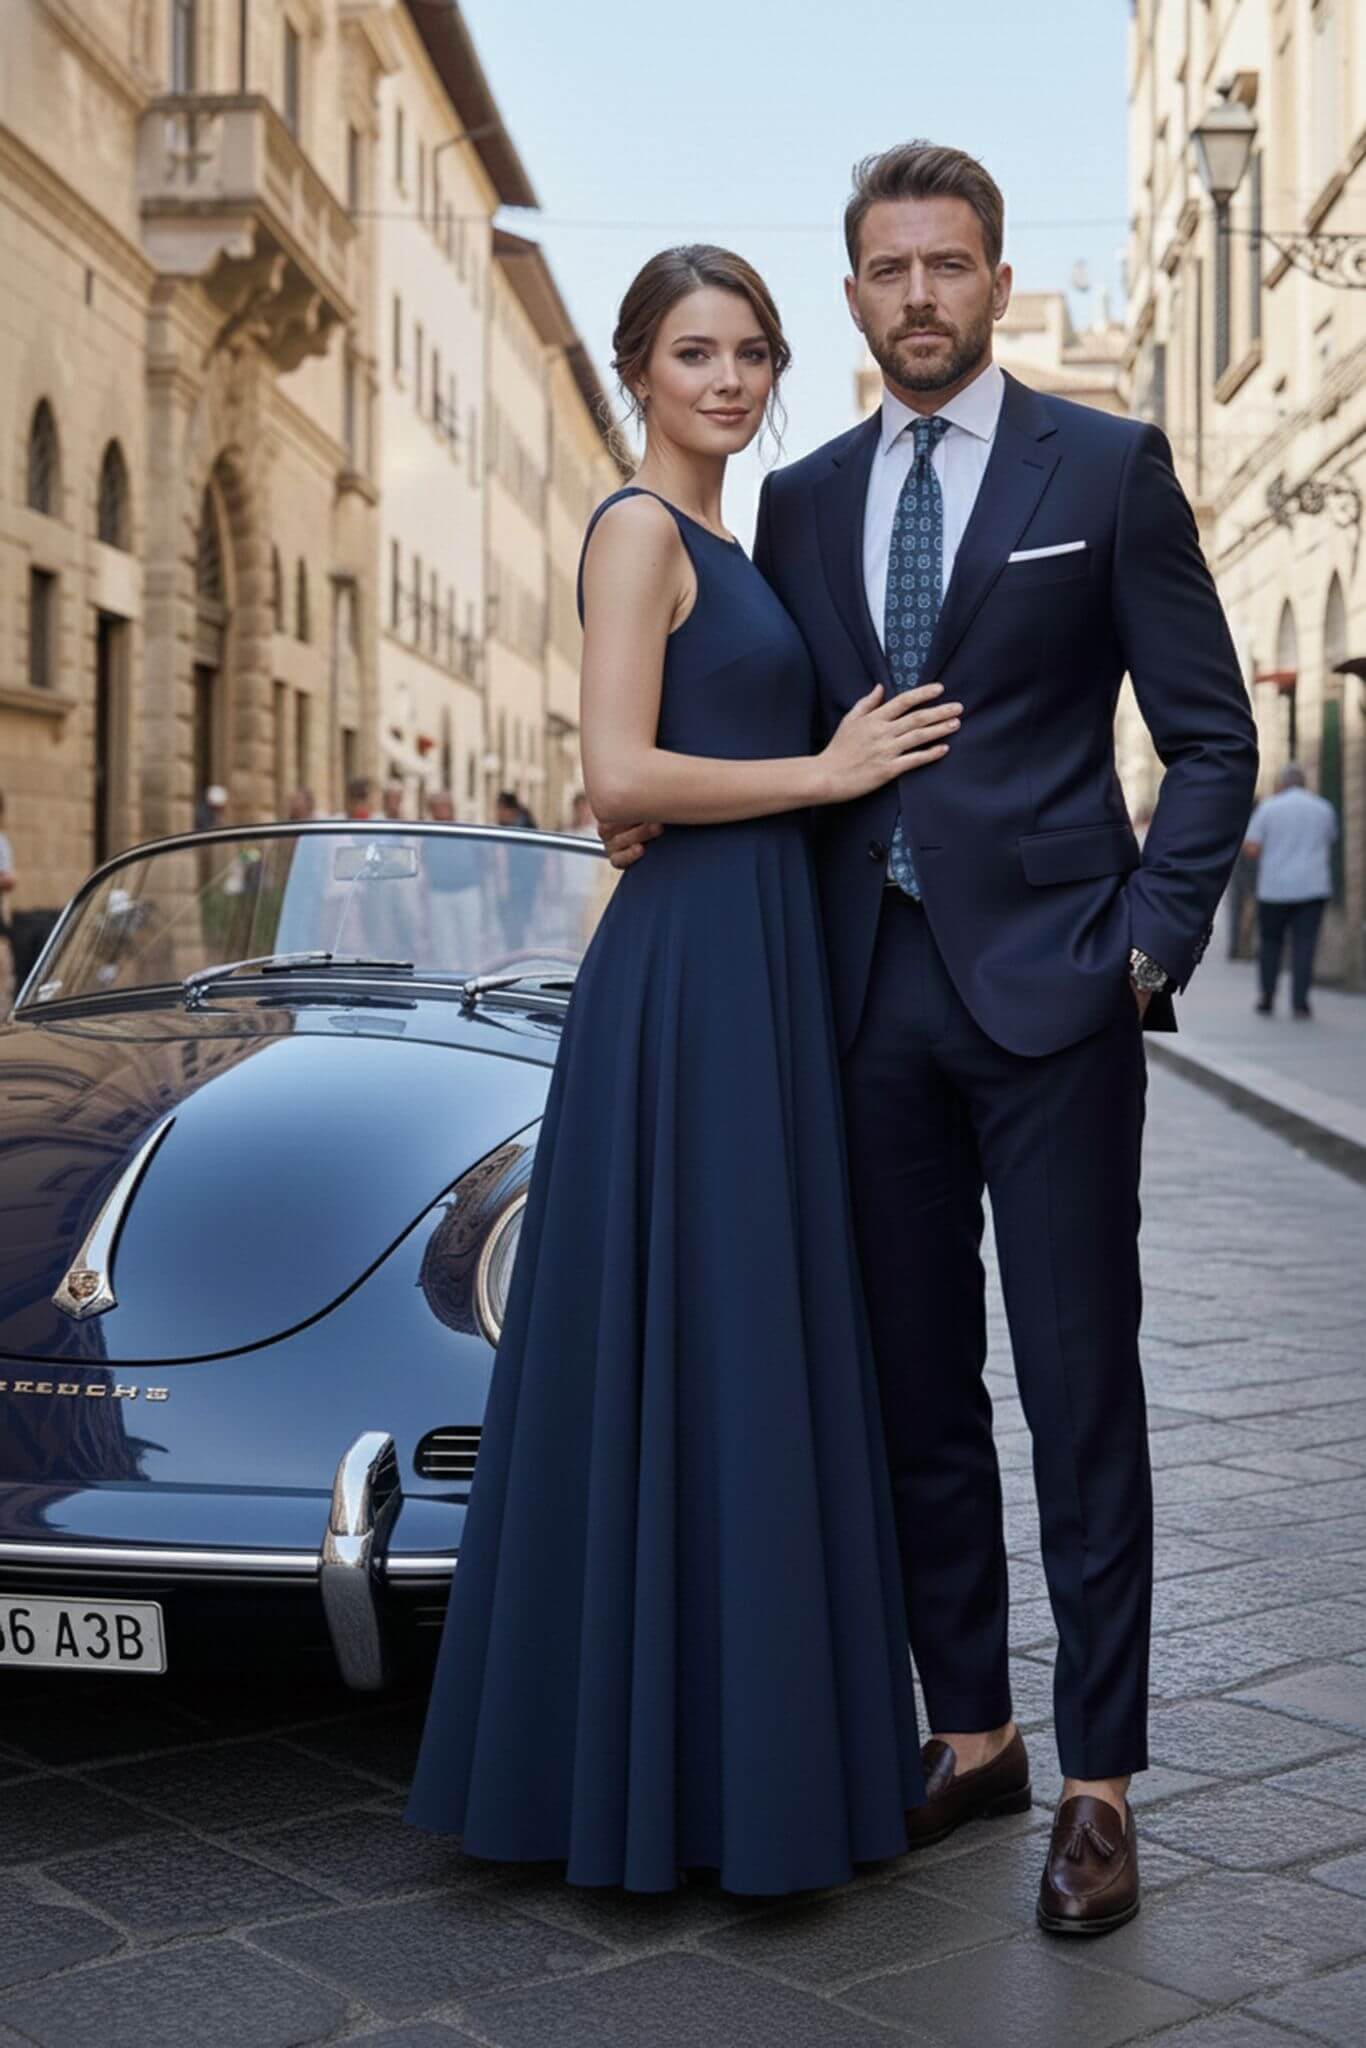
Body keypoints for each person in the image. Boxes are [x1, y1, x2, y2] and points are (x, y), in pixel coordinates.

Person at [602, 144, 1258, 1934]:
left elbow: (1209, 740)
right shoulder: (795, 501)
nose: (918, 296)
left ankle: (1101, 1779)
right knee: (909, 1390)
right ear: (851, 293)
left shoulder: (1104, 467)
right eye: (887, 269)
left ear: (989, 275)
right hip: (853, 994)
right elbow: (736, 709)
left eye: (947, 265)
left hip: (1056, 995)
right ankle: (970, 1727)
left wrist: (1142, 947)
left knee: (1079, 1385)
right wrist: (650, 804)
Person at [408, 246, 958, 1895]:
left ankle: (734, 1762)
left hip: (755, 961)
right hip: (687, 974)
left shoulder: (735, 538)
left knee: (747, 1341)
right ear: (640, 369)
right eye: (693, 352)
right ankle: (659, 1778)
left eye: (751, 354)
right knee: (692, 1331)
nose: (726, 379)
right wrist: (827, 765)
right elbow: (617, 767)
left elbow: (658, 777)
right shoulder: (642, 529)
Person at [1244, 764, 1339, 1018]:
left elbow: (1251, 847)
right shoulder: (1323, 808)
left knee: (1271, 943)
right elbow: (1330, 839)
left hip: (1275, 888)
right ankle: (1300, 1002)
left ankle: (1267, 996)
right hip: (1313, 887)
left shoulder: (1268, 808)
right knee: (1304, 945)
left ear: (1281, 784)